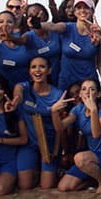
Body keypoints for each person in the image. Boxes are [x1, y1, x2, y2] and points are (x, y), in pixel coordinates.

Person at [52, 78, 101, 193]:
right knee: (63, 187)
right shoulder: (78, 109)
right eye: (84, 89)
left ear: (99, 94)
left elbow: (96, 134)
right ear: (80, 94)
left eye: (92, 89)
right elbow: (60, 127)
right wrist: (54, 111)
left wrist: (94, 110)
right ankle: (95, 180)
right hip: (91, 158)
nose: (87, 92)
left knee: (79, 158)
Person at [11, 56, 64, 190]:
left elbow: (60, 127)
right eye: (33, 67)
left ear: (49, 70)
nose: (37, 70)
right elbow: (18, 89)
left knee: (46, 188)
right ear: (29, 71)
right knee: (25, 187)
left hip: (49, 144)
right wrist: (17, 98)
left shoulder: (57, 95)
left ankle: (55, 171)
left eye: (42, 66)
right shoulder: (25, 88)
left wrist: (56, 151)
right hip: (29, 144)